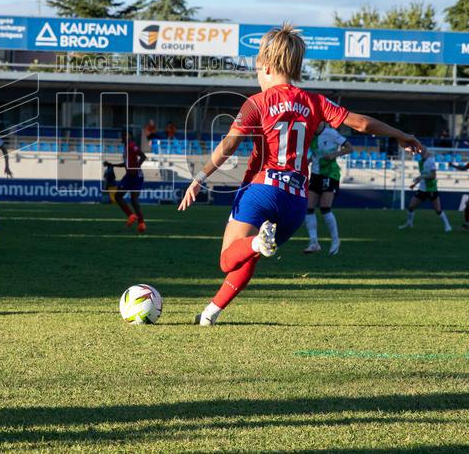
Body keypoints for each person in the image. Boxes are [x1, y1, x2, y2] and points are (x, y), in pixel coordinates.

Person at [178, 23, 423, 326]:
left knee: (230, 256)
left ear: (267, 66)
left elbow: (229, 144)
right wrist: (400, 135)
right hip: (295, 201)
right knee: (253, 253)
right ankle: (209, 314)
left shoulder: (257, 102)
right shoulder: (315, 101)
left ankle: (254, 245)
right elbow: (360, 123)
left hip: (262, 189)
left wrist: (199, 178)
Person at [303, 122, 352, 255]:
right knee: (308, 208)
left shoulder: (331, 133)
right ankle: (314, 242)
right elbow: (314, 153)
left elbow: (349, 148)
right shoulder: (310, 134)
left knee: (325, 208)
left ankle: (335, 240)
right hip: (315, 174)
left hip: (330, 173)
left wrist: (334, 155)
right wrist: (308, 161)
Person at [105, 129, 148, 233]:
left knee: (125, 198)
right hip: (131, 176)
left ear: (131, 137)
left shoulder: (131, 145)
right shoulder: (126, 148)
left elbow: (143, 156)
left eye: (126, 135)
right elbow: (126, 164)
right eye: (123, 135)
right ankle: (139, 222)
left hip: (135, 176)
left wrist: (136, 166)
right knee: (126, 198)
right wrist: (112, 165)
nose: (124, 137)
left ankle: (136, 220)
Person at [399, 149, 452, 232]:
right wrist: (415, 184)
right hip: (422, 189)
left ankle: (447, 226)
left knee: (438, 210)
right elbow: (423, 175)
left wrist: (421, 177)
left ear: (427, 153)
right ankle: (409, 223)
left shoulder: (431, 161)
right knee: (411, 207)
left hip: (431, 189)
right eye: (420, 152)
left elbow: (433, 175)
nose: (422, 154)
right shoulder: (420, 162)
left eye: (423, 152)